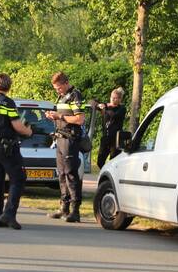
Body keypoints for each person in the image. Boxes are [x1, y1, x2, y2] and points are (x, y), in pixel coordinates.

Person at [0, 73, 32, 229]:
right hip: (5, 146)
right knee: (19, 178)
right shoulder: (7, 103)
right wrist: (28, 132)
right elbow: (17, 125)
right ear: (9, 87)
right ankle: (9, 214)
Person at [45, 72, 86, 223]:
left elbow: (79, 119)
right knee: (61, 173)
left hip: (70, 139)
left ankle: (75, 210)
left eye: (59, 87)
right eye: (56, 88)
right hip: (60, 138)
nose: (57, 91)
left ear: (66, 82)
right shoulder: (61, 97)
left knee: (70, 173)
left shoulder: (75, 95)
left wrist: (59, 117)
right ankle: (64, 207)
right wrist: (52, 116)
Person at [95, 87, 126, 168]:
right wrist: (98, 105)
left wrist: (105, 107)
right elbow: (91, 102)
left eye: (115, 98)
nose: (113, 99)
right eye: (112, 97)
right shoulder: (106, 106)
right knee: (100, 161)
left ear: (120, 99)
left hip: (116, 139)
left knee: (114, 161)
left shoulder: (122, 108)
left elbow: (113, 115)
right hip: (106, 138)